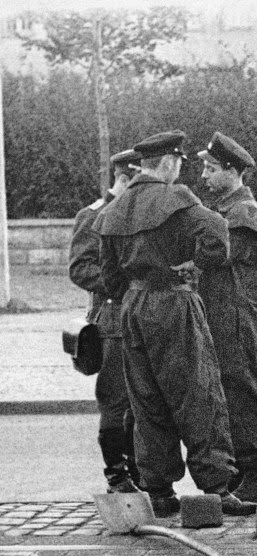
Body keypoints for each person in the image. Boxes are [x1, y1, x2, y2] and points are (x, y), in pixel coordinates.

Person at [99, 130, 255, 517]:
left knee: (146, 401)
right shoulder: (177, 198)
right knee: (198, 393)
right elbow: (217, 233)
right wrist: (197, 265)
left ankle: (158, 490)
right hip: (172, 301)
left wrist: (132, 293)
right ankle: (216, 487)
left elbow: (107, 275)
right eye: (179, 164)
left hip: (132, 307)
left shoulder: (112, 211)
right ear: (168, 163)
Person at [197, 132, 257, 502]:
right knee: (228, 393)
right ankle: (239, 472)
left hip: (242, 318)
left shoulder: (243, 212)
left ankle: (255, 474)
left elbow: (216, 257)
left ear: (232, 171)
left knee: (242, 393)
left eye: (211, 168)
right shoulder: (225, 210)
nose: (204, 176)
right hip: (227, 316)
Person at [69, 148, 142, 493]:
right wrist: (121, 280)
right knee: (115, 401)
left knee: (142, 401)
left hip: (140, 316)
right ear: (124, 178)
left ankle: (140, 472)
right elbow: (80, 268)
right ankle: (117, 475)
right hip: (111, 319)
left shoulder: (136, 214)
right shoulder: (94, 215)